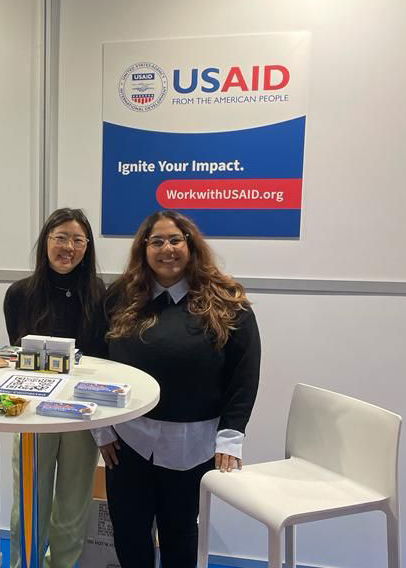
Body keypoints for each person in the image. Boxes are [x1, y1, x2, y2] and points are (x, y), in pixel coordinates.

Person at [94, 210, 260, 567]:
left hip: (193, 445)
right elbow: (94, 363)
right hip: (127, 442)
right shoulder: (119, 297)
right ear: (143, 249)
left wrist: (231, 436)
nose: (166, 249)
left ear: (190, 245)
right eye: (156, 241)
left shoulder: (226, 300)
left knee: (181, 534)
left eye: (174, 240)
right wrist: (101, 428)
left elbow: (244, 374)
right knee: (129, 533)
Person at [3, 208, 107, 568]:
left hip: (80, 416)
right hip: (32, 416)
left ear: (87, 248)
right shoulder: (19, 295)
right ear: (45, 241)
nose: (69, 247)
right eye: (60, 237)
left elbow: (103, 361)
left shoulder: (101, 297)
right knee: (28, 506)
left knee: (72, 509)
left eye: (78, 240)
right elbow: (19, 356)